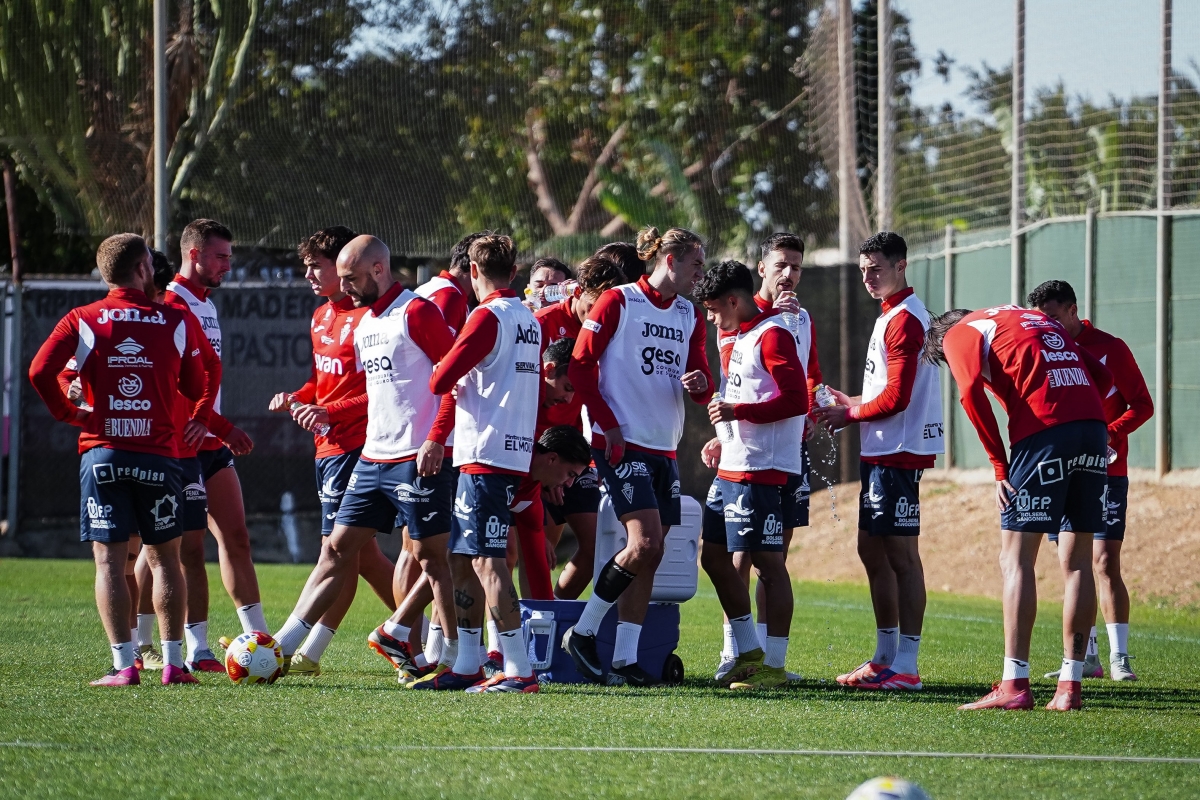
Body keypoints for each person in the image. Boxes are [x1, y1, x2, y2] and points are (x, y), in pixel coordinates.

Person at [270, 235, 457, 679]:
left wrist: (436, 438)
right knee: (336, 549)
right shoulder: (366, 322)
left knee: (432, 560)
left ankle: (453, 657)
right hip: (372, 458)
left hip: (416, 457)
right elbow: (374, 393)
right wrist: (322, 408)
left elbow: (455, 380)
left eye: (351, 278)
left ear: (378, 269)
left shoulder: (417, 312)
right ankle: (280, 648)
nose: (345, 287)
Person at [29, 234, 211, 685]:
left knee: (110, 563)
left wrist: (68, 413)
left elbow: (39, 371)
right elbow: (195, 385)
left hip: (103, 453)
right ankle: (174, 664)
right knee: (165, 560)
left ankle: (124, 665)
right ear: (143, 269)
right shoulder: (174, 318)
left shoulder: (82, 318)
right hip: (160, 456)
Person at [924, 304, 1113, 711]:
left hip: (1044, 433)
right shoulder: (1030, 318)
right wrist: (1088, 426)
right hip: (1093, 429)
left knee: (1015, 559)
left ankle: (1015, 685)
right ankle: (1069, 687)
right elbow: (1102, 377)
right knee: (1079, 561)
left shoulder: (959, 333)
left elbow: (970, 392)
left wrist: (999, 466)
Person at [563, 225, 713, 687]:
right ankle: (583, 632)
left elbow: (701, 377)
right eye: (695, 264)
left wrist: (701, 385)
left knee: (653, 551)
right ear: (669, 260)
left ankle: (626, 658)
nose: (700, 273)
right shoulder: (619, 301)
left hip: (663, 445)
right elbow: (580, 367)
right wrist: (607, 423)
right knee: (644, 542)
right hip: (620, 441)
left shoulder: (690, 314)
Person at [409, 233, 544, 693]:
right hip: (506, 451)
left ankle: (520, 670)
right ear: (515, 272)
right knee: (462, 557)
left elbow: (439, 380)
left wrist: (442, 369)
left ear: (472, 271)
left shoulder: (487, 315)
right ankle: (468, 664)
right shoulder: (527, 317)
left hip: (487, 452)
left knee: (488, 561)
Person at [811, 232, 944, 691]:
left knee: (903, 557)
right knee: (871, 549)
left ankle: (906, 665)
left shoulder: (905, 319)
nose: (868, 277)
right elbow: (884, 392)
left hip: (898, 453)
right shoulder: (890, 313)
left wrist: (848, 415)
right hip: (882, 450)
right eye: (863, 270)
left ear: (901, 266)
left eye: (876, 269)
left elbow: (898, 399)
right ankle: (884, 658)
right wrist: (848, 402)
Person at [266, 227, 398, 676]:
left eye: (315, 266)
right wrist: (298, 398)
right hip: (327, 446)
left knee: (338, 551)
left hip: (358, 446)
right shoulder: (321, 315)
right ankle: (410, 636)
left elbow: (382, 391)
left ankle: (291, 649)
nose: (309, 275)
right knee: (361, 557)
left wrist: (330, 411)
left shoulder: (371, 320)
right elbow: (320, 383)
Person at [710, 231, 821, 681]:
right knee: (732, 556)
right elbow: (733, 384)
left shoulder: (797, 320)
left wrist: (813, 408)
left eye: (796, 266)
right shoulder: (738, 319)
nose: (789, 274)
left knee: (771, 557)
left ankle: (770, 661)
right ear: (762, 269)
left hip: (780, 455)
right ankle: (734, 651)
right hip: (744, 456)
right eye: (781, 265)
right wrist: (722, 433)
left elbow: (807, 380)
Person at [1030, 280, 1153, 682]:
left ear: (1073, 310)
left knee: (1104, 560)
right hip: (1060, 470)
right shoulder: (1043, 348)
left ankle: (1121, 657)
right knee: (1072, 563)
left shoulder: (1110, 348)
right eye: (1042, 320)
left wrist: (1108, 433)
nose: (1048, 326)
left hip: (1106, 471)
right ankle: (1088, 657)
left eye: (1053, 317)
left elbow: (1143, 405)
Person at [164, 219, 264, 672]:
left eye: (229, 257)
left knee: (236, 537)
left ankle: (260, 640)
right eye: (221, 256)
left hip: (209, 442)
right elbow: (175, 386)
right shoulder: (172, 303)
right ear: (194, 254)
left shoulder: (205, 303)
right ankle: (171, 644)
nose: (228, 264)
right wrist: (222, 426)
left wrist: (216, 429)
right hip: (180, 444)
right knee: (176, 549)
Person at [534, 254, 626, 599]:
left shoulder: (607, 330)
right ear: (577, 292)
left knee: (596, 546)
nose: (598, 314)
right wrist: (541, 466)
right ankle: (525, 623)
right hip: (534, 454)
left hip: (573, 454)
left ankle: (554, 613)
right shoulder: (541, 324)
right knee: (533, 553)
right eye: (593, 305)